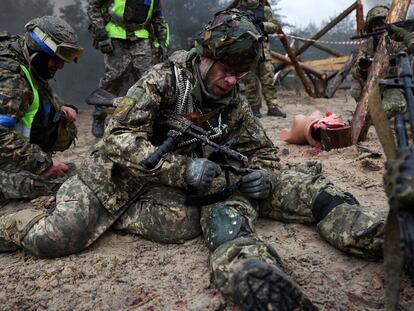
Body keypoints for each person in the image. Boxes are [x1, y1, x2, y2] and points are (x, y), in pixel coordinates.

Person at [0, 11, 385, 310]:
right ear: (204, 57)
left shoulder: (231, 100)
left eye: (240, 74)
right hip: (129, 183)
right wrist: (182, 169)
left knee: (286, 189)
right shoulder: (162, 80)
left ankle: (376, 236)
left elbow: (263, 152)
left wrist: (262, 176)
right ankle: (9, 224)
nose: (232, 82)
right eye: (226, 71)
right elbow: (117, 139)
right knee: (54, 239)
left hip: (206, 186)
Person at [0, 16, 83, 202]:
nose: (60, 66)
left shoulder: (20, 53)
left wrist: (59, 107)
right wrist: (44, 164)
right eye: (55, 59)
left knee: (71, 175)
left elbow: (34, 89)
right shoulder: (9, 76)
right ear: (38, 49)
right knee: (63, 188)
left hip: (9, 161)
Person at [87, 0, 170, 138]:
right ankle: (99, 115)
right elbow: (94, 6)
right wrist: (101, 34)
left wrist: (163, 43)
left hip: (141, 37)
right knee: (114, 79)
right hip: (115, 35)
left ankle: (149, 121)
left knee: (148, 81)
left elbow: (158, 17)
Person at [350, 5, 407, 118]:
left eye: (382, 23)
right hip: (374, 85)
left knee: (385, 111)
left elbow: (405, 69)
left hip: (394, 85)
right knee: (355, 89)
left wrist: (384, 68)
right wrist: (363, 69)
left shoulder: (399, 42)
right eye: (375, 24)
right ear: (370, 27)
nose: (378, 27)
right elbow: (354, 71)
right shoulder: (367, 45)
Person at [237, 0, 286, 118]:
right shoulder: (238, 12)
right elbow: (233, 29)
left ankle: (273, 107)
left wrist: (262, 25)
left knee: (268, 81)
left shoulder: (265, 10)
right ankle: (254, 109)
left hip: (264, 53)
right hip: (247, 53)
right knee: (250, 83)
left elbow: (275, 26)